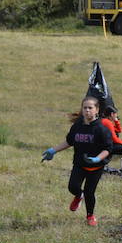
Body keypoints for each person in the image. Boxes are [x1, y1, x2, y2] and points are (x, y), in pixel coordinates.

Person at [42, 96, 113, 227]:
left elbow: (108, 149)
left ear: (97, 110)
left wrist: (97, 158)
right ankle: (78, 195)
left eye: (90, 108)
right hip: (79, 164)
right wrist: (53, 150)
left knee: (89, 192)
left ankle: (90, 216)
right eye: (85, 108)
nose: (87, 110)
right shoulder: (77, 126)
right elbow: (69, 141)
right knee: (72, 187)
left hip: (96, 167)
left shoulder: (102, 128)